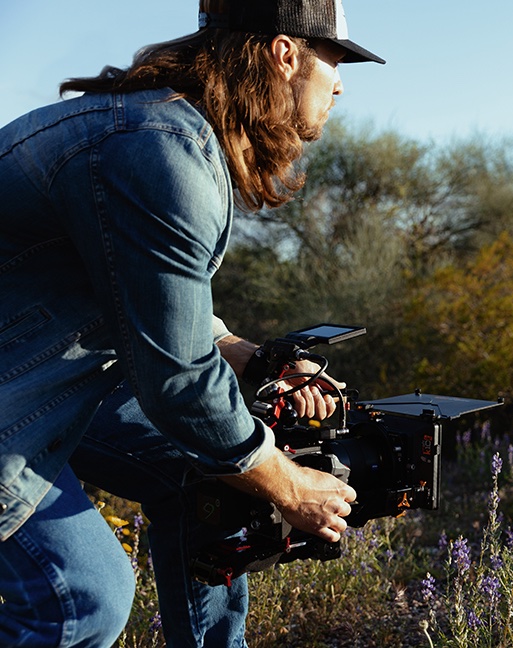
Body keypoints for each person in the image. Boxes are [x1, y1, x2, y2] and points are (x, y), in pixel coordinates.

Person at [0, 0, 384, 645]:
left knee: (208, 478)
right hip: (18, 387)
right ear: (284, 53)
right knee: (80, 599)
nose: (340, 82)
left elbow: (152, 303)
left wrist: (255, 358)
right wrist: (288, 484)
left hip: (35, 369)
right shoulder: (160, 152)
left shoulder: (156, 132)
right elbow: (177, 380)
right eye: (335, 59)